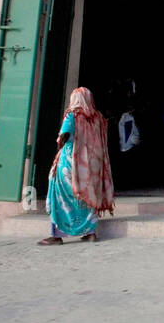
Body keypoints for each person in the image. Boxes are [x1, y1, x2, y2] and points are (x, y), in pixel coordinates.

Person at [39, 87, 115, 245]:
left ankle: (57, 234)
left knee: (60, 197)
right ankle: (90, 233)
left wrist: (62, 141)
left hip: (70, 164)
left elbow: (63, 137)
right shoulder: (99, 118)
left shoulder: (73, 115)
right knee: (88, 196)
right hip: (93, 165)